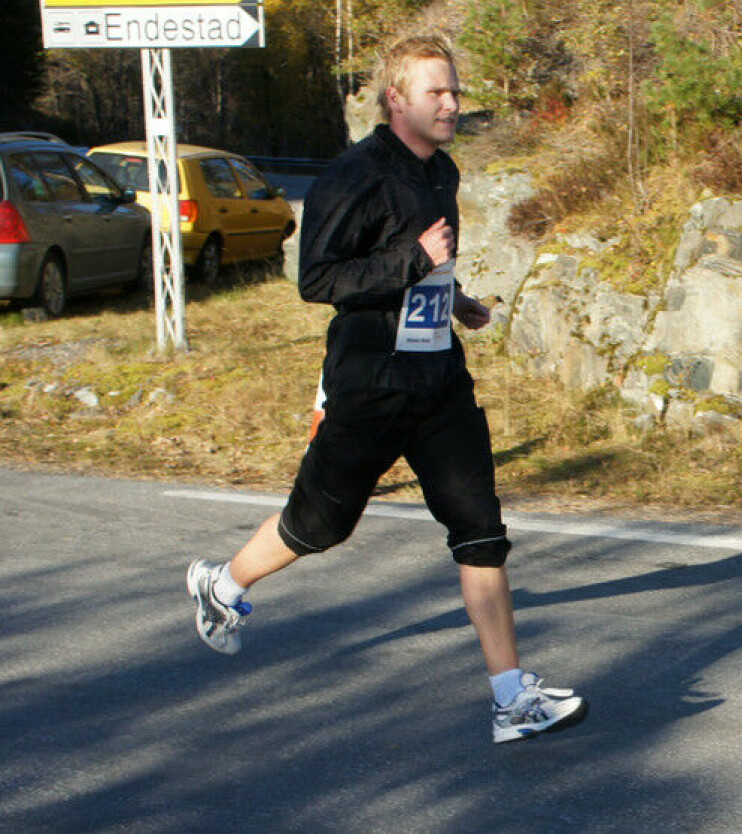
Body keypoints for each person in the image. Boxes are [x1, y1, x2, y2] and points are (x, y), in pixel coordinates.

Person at [186, 34, 587, 745]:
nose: (452, 104)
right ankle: (223, 584)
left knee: (483, 533)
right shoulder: (354, 174)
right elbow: (319, 281)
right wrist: (414, 259)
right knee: (320, 526)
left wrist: (454, 296)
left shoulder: (443, 172)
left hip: (438, 380)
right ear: (396, 99)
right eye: (437, 93)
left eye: (456, 91)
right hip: (370, 380)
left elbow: (424, 265)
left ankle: (510, 698)